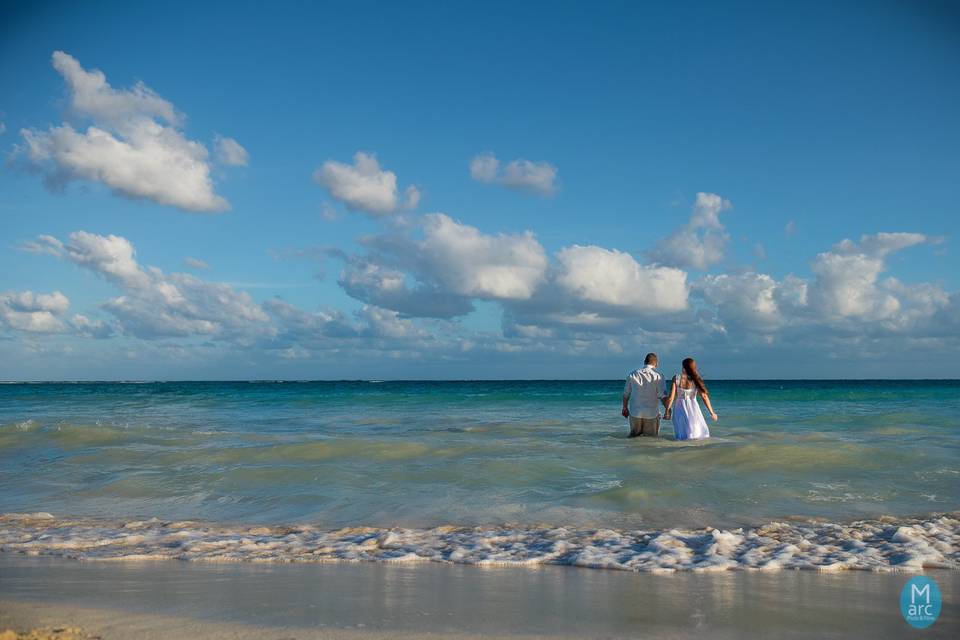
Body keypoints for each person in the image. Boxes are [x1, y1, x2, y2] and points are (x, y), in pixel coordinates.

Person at [663, 357, 717, 440]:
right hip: (694, 410)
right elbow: (704, 397)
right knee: (695, 432)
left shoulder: (676, 378)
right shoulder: (696, 379)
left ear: (684, 367)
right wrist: (712, 412)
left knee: (681, 434)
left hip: (679, 410)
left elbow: (671, 398)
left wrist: (667, 412)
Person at [621, 353, 669, 437]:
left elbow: (626, 394)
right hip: (651, 413)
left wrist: (624, 408)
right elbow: (663, 396)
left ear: (644, 362)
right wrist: (668, 409)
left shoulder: (632, 374)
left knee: (633, 439)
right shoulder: (658, 376)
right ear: (656, 364)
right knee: (651, 440)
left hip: (635, 412)